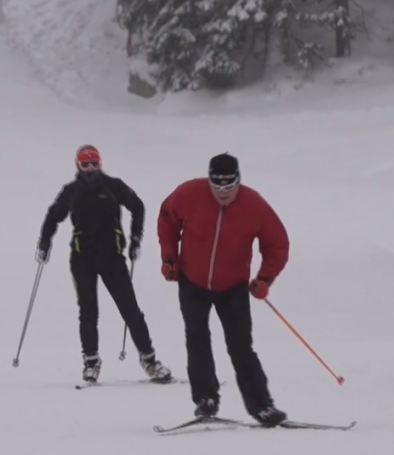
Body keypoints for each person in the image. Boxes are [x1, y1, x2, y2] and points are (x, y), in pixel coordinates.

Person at [157, 153, 290, 426]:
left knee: (241, 347)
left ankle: (262, 406)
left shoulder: (254, 205)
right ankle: (206, 399)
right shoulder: (189, 193)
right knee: (197, 339)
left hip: (233, 286)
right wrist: (170, 259)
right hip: (192, 281)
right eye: (217, 187)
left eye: (229, 187)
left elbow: (277, 244)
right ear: (210, 181)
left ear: (238, 181)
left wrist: (265, 278)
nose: (223, 193)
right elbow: (167, 218)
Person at [36, 144, 172, 384]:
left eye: (94, 163)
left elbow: (137, 206)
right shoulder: (71, 191)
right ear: (77, 165)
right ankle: (91, 362)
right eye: (85, 163)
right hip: (82, 259)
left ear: (101, 164)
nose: (90, 168)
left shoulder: (113, 185)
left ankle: (149, 360)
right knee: (88, 311)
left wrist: (136, 238)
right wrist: (44, 243)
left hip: (112, 257)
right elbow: (53, 216)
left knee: (130, 309)